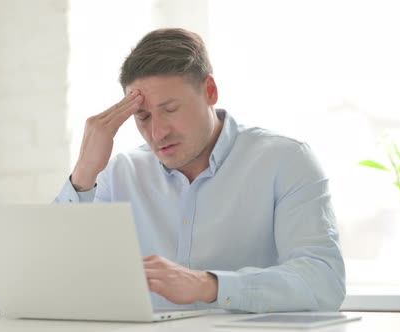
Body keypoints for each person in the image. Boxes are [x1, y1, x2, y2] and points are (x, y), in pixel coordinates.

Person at [55, 28, 345, 313]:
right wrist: (83, 173)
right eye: (142, 116)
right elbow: (55, 276)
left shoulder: (286, 161)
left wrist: (209, 286)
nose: (157, 132)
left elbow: (324, 281)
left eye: (170, 109)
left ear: (210, 91)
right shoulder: (119, 173)